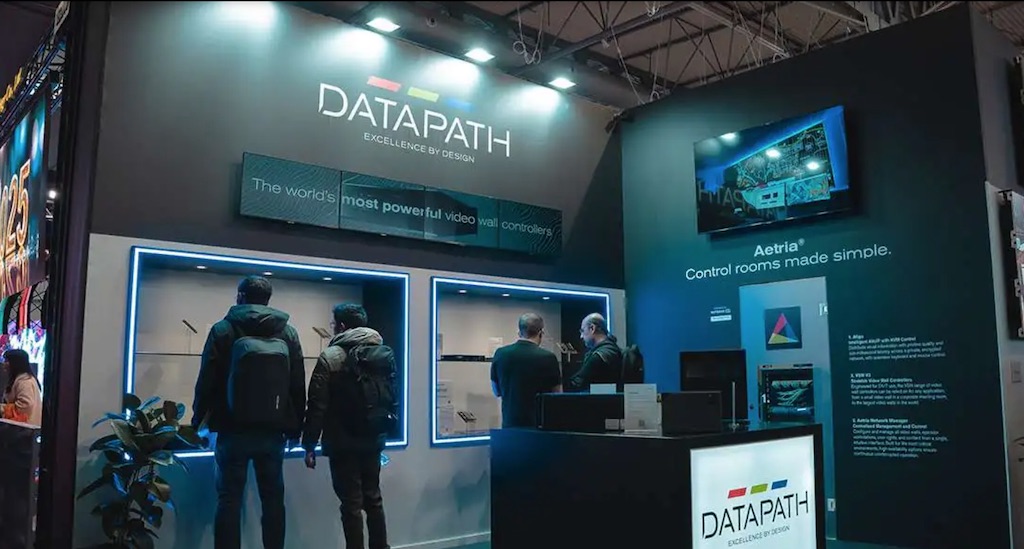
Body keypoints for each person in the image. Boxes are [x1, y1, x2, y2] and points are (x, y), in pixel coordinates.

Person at [192, 276, 306, 549]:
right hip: (273, 431)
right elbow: (297, 383)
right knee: (273, 499)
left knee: (229, 500)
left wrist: (197, 422)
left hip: (232, 429)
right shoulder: (288, 333)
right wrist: (296, 427)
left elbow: (206, 380)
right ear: (268, 300)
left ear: (240, 296)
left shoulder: (223, 330)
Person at [303, 303, 396, 549]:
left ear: (341, 326)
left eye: (333, 324)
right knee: (373, 499)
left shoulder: (331, 356)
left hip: (341, 441)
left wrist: (309, 444)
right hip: (373, 437)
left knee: (351, 504)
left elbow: (317, 404)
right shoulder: (382, 353)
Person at [490, 313, 562, 428]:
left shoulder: (500, 354)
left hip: (510, 424)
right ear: (541, 333)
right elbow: (557, 395)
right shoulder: (548, 357)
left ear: (519, 332)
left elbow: (496, 391)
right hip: (538, 426)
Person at [569, 313, 624, 391]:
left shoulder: (598, 357)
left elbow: (577, 383)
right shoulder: (613, 350)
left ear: (592, 328)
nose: (581, 336)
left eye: (582, 331)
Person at [1, 349, 41, 426]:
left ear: (16, 363)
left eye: (7, 361)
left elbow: (25, 405)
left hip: (24, 429)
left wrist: (3, 408)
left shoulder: (25, 381)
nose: (4, 364)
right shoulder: (19, 379)